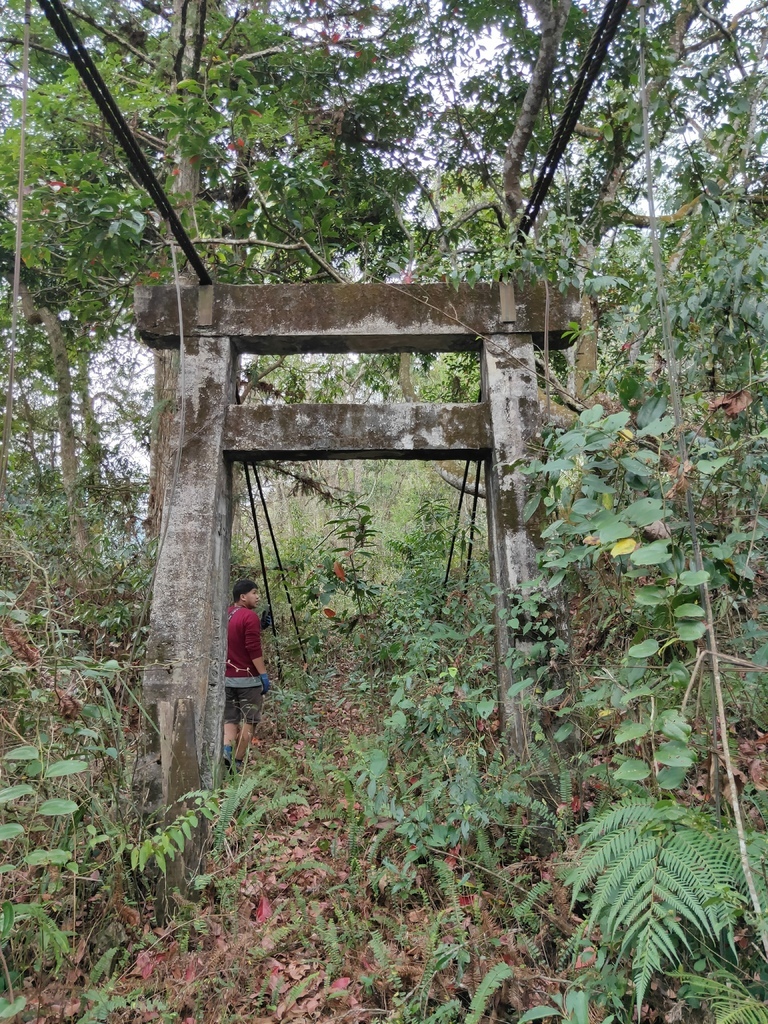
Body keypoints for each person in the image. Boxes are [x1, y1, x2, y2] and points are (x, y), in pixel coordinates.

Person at [223, 579, 270, 772]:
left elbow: (236, 638)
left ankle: (226, 751)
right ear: (243, 597)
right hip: (248, 679)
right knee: (250, 720)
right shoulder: (249, 616)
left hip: (226, 678)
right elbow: (252, 648)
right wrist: (263, 675)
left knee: (230, 719)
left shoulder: (226, 614)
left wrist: (260, 627)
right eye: (253, 592)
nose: (257, 596)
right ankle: (237, 762)